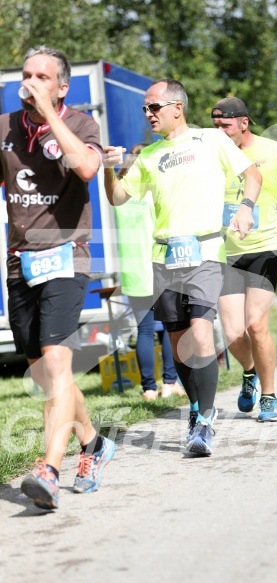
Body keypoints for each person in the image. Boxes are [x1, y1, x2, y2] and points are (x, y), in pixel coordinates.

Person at [104, 79, 262, 456]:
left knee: (201, 333)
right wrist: (108, 170)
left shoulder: (211, 140)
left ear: (178, 107)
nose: (148, 114)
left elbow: (252, 174)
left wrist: (245, 208)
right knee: (179, 348)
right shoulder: (150, 156)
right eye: (145, 108)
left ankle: (205, 422)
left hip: (205, 253)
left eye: (154, 107)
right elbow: (119, 198)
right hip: (163, 259)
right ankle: (195, 410)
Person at [0, 46, 115, 510]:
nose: (30, 83)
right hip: (19, 260)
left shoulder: (83, 124)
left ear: (62, 86)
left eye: (42, 77)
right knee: (43, 375)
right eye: (26, 76)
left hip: (68, 255)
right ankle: (93, 442)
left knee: (57, 362)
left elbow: (86, 167)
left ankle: (48, 468)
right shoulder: (5, 127)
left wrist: (49, 113)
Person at [211, 97, 277, 421]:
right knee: (231, 331)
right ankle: (249, 372)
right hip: (223, 251)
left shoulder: (272, 151)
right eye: (214, 124)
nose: (219, 130)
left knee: (257, 326)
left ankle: (269, 396)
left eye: (225, 125)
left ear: (244, 123)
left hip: (264, 248)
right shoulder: (211, 153)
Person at [115, 143, 184, 400]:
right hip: (158, 266)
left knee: (143, 330)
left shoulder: (120, 194)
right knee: (168, 326)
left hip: (131, 271)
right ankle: (169, 383)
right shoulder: (154, 190)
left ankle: (148, 389)